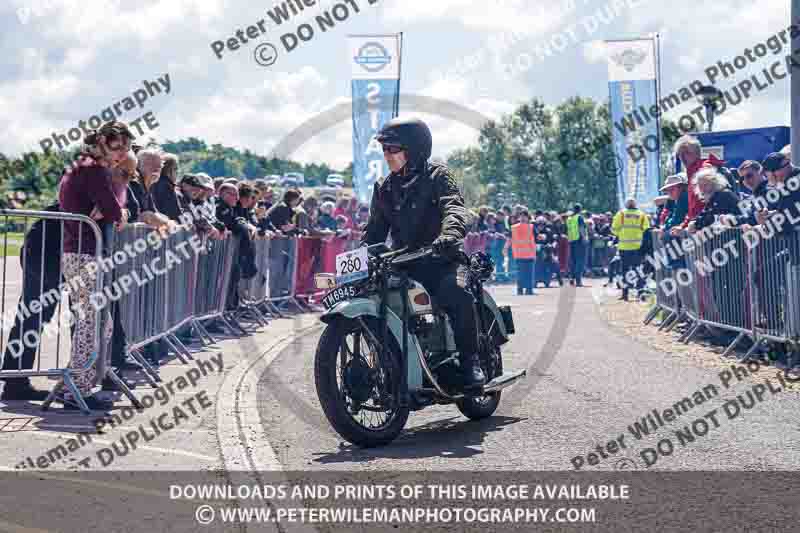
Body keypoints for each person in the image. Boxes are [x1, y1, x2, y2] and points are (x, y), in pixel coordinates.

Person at [362, 117, 485, 391]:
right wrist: (360, 257)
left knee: (455, 292)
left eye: (393, 149)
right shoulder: (385, 188)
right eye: (384, 150)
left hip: (442, 259)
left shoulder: (438, 176)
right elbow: (374, 232)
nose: (387, 156)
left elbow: (455, 209)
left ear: (414, 149)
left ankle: (470, 361)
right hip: (404, 265)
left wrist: (449, 235)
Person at [57, 121, 132, 410]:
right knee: (94, 322)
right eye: (118, 147)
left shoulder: (83, 165)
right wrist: (117, 211)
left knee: (96, 321)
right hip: (85, 252)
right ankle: (76, 387)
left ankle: (73, 383)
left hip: (79, 251)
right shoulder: (92, 168)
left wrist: (111, 210)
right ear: (102, 141)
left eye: (126, 149)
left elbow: (107, 209)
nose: (122, 155)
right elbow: (112, 210)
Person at [612, 198, 650, 301]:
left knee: (624, 270)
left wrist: (620, 234)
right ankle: (641, 291)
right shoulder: (642, 214)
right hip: (638, 247)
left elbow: (614, 229)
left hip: (624, 247)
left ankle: (625, 294)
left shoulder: (621, 214)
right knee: (638, 270)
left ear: (626, 205)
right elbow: (646, 229)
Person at [507, 210, 536, 295]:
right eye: (522, 216)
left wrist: (505, 249)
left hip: (518, 254)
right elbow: (536, 238)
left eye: (523, 216)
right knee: (528, 273)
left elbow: (509, 239)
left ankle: (520, 290)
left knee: (520, 273)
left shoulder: (513, 227)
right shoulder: (531, 227)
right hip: (529, 253)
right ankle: (529, 290)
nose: (522, 218)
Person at [565, 204, 587, 286]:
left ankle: (572, 278)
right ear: (580, 209)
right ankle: (578, 280)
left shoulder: (569, 218)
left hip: (571, 241)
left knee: (573, 261)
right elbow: (581, 228)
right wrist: (584, 238)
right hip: (579, 240)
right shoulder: (579, 217)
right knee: (580, 261)